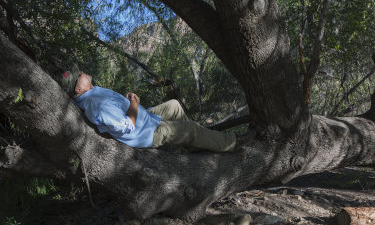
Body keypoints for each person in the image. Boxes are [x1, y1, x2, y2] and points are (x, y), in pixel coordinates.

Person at [60, 65, 243, 152]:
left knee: (174, 105)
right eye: (79, 75)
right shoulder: (95, 105)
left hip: (145, 119)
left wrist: (125, 99)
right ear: (78, 89)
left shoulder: (93, 94)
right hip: (145, 133)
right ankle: (232, 143)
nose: (82, 72)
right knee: (191, 128)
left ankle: (195, 144)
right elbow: (126, 126)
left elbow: (115, 111)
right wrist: (134, 103)